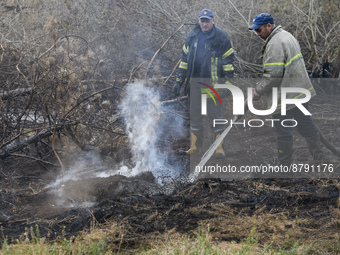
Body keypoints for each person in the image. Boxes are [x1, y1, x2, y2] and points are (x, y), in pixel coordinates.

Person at [249, 13, 323, 165]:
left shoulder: (275, 43)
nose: (257, 34)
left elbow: (273, 75)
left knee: (283, 130)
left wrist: (258, 90)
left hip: (285, 96)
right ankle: (320, 161)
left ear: (269, 26)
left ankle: (285, 168)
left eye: (259, 30)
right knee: (306, 125)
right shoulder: (286, 35)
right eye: (255, 31)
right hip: (300, 92)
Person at [173, 9, 234, 156]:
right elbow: (184, 61)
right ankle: (195, 148)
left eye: (207, 20)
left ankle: (219, 148)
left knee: (216, 116)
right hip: (194, 83)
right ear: (199, 21)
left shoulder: (221, 37)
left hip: (212, 84)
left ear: (213, 20)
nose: (204, 23)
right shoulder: (192, 36)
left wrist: (228, 83)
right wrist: (179, 81)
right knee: (195, 116)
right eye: (202, 20)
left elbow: (228, 61)